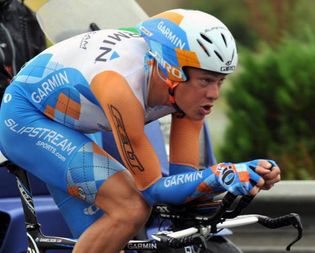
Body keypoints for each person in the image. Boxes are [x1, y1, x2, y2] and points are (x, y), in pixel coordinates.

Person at [0, 9, 281, 253]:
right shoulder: (120, 87)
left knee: (109, 236)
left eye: (220, 81)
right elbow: (154, 191)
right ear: (172, 71)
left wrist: (243, 175)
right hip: (27, 117)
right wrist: (225, 174)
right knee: (130, 209)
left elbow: (183, 185)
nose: (214, 94)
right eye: (206, 80)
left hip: (75, 120)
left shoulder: (188, 93)